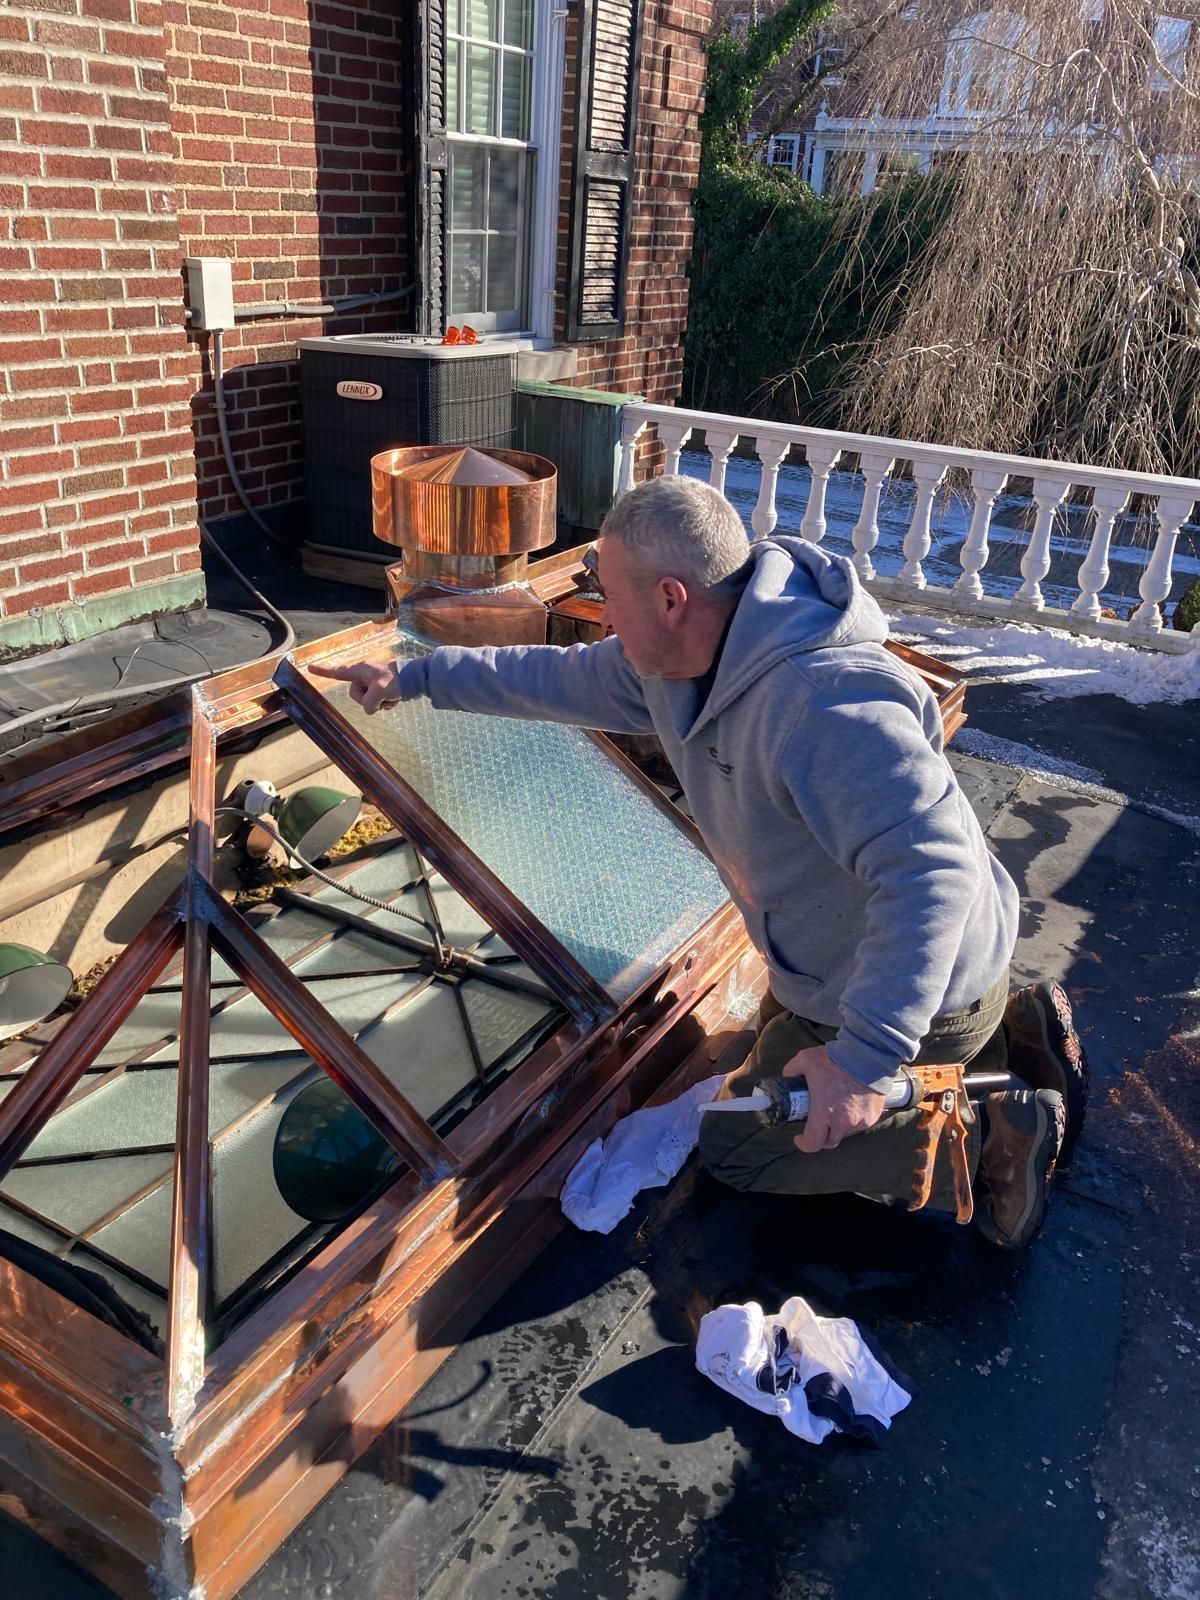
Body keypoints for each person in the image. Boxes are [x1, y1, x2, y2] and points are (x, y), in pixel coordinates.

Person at [315, 475, 1088, 1249]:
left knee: (737, 1149)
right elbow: (552, 677)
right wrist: (411, 677)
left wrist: (862, 1062)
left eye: (609, 594)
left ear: (672, 598)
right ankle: (1011, 1043)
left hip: (930, 983)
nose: (604, 615)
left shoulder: (827, 703)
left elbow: (932, 876)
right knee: (768, 1051)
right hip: (842, 966)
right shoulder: (678, 664)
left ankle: (993, 1134)